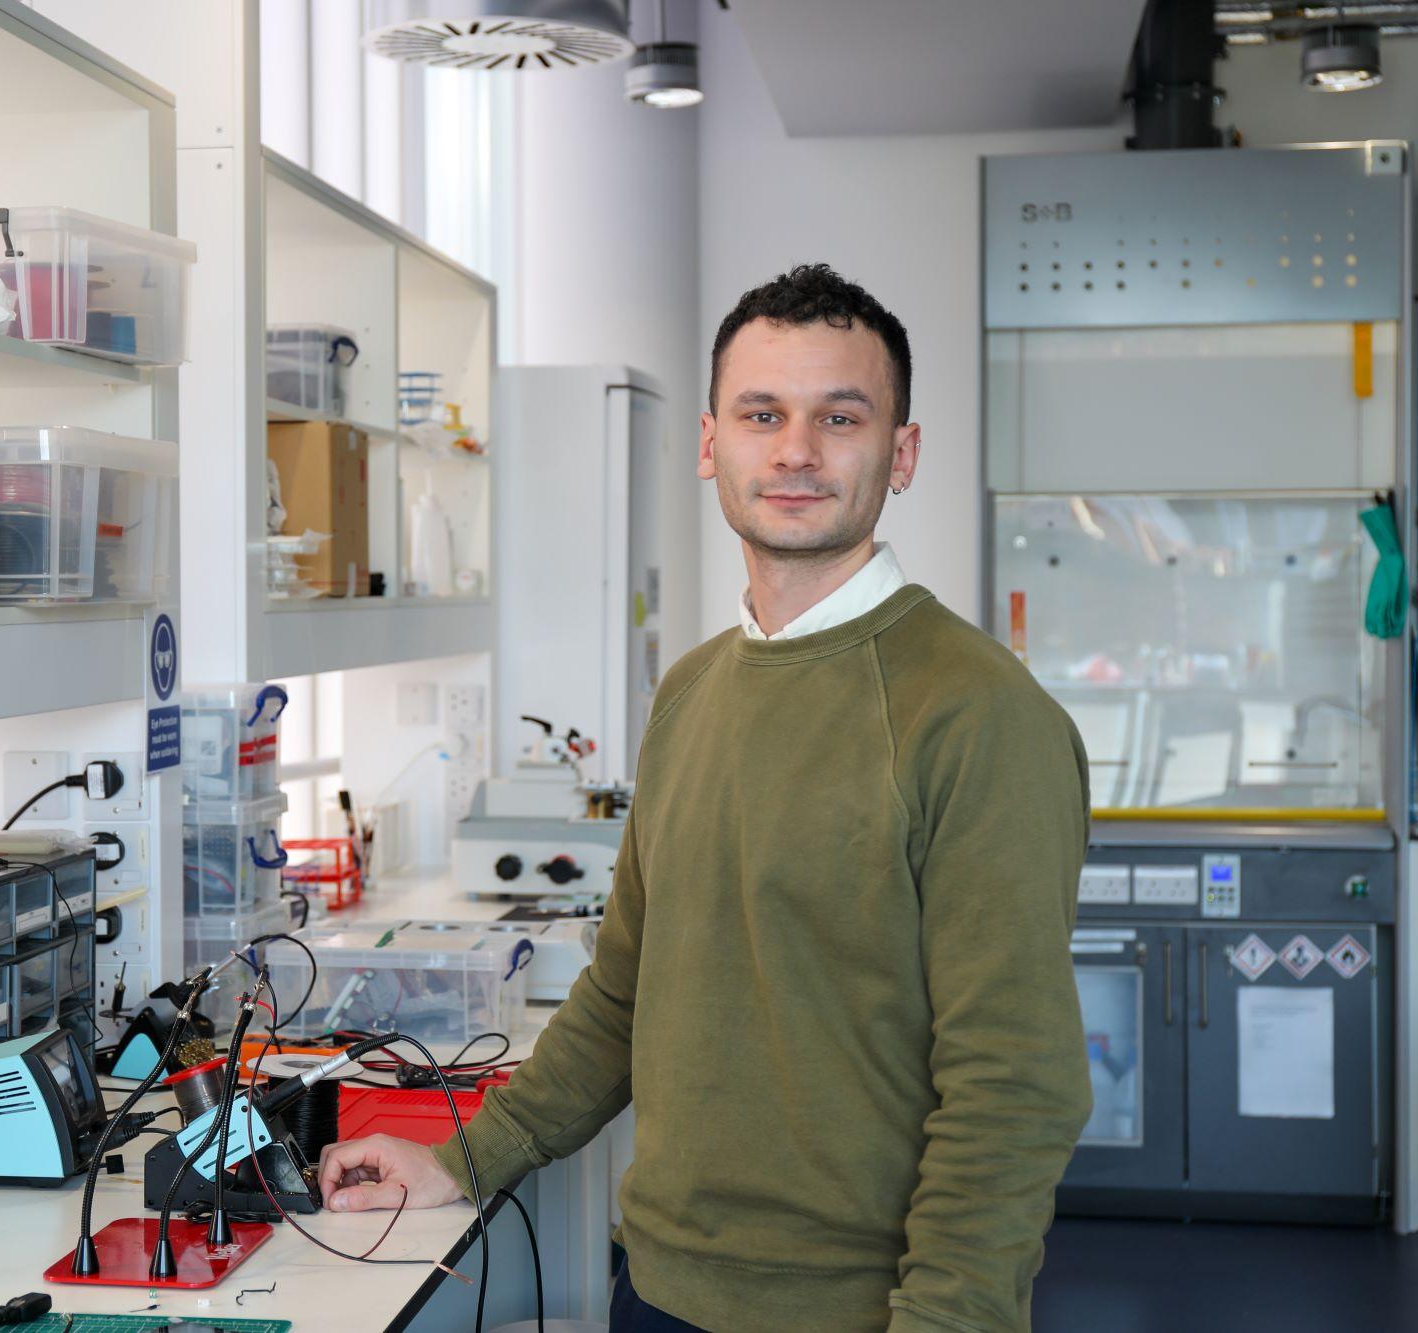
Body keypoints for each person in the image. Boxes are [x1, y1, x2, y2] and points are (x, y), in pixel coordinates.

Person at [317, 264, 1093, 1332]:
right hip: (657, 1289)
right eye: (761, 413)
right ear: (707, 443)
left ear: (899, 454)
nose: (794, 451)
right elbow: (622, 997)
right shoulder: (688, 690)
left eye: (839, 416)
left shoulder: (975, 714)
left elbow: (1012, 1085)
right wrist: (461, 1158)